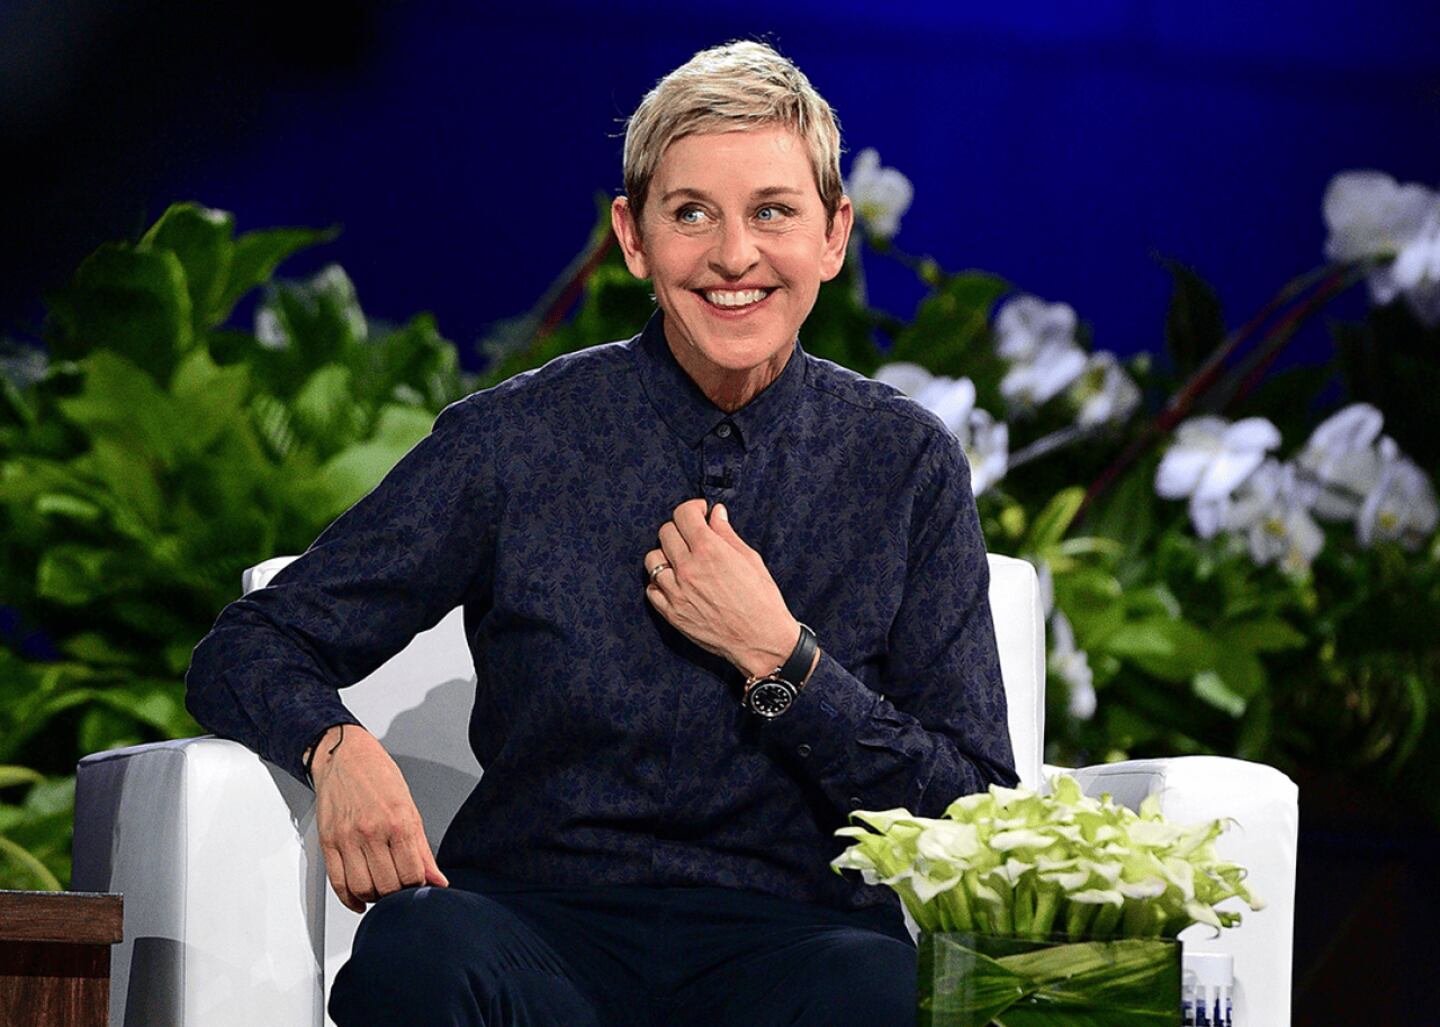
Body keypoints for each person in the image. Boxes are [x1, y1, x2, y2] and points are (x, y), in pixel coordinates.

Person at [185, 38, 1017, 1027]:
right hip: (538, 928)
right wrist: (333, 746)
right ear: (633, 237)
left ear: (834, 236)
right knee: (419, 951)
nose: (734, 256)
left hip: (801, 942)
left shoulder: (905, 462)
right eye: (691, 213)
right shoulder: (515, 439)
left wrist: (783, 661)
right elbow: (250, 644)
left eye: (773, 212)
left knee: (883, 994)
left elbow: (971, 806)